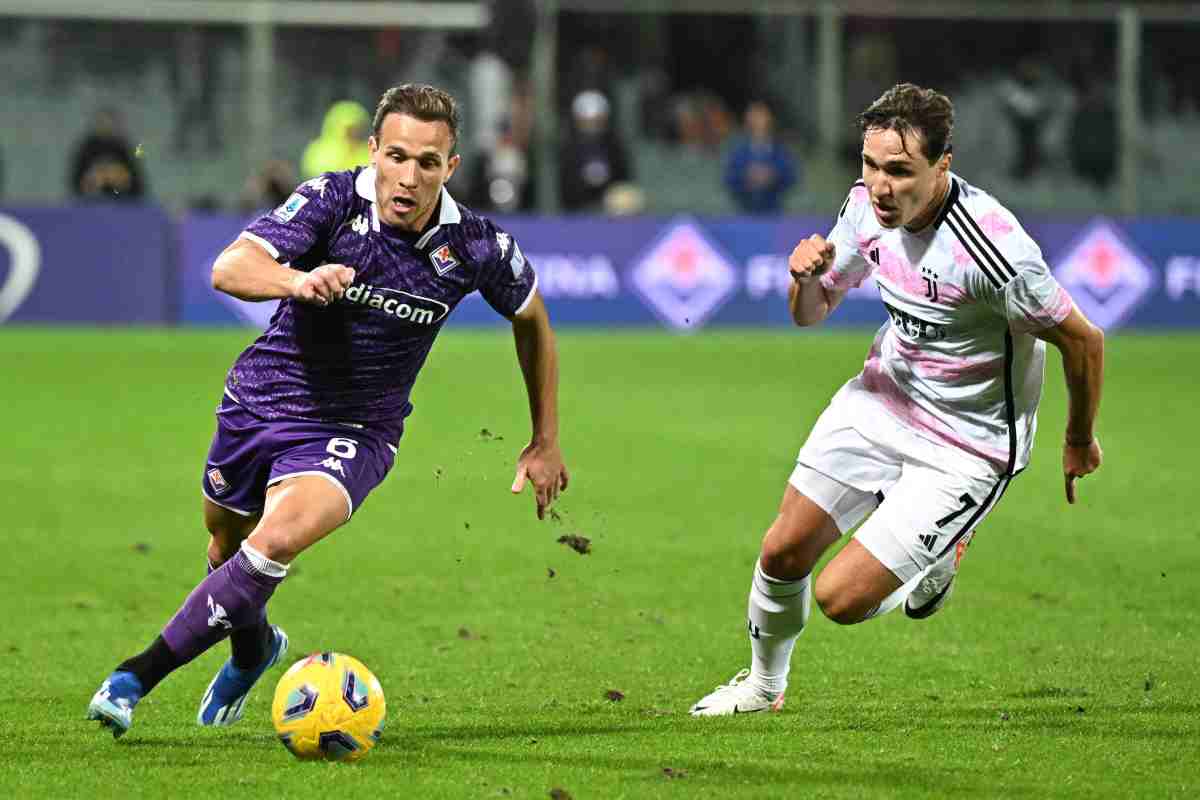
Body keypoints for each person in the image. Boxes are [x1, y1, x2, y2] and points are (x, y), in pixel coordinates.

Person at [87, 84, 569, 737]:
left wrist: (544, 439)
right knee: (227, 544)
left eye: (428, 162)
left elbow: (532, 319)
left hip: (357, 429)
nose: (408, 176)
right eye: (396, 155)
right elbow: (231, 268)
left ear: (450, 167)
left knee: (272, 542)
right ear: (374, 151)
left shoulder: (477, 245)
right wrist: (297, 280)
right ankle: (254, 648)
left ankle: (132, 678)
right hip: (260, 400)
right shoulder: (333, 201)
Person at [689, 83, 1104, 716]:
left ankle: (941, 550)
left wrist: (1077, 438)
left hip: (968, 444)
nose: (880, 186)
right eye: (870, 165)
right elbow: (814, 311)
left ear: (942, 165)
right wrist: (803, 279)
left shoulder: (993, 253)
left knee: (840, 599)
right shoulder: (864, 211)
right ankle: (763, 688)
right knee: (781, 552)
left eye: (899, 171)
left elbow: (1084, 341)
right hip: (883, 400)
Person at [559, 90, 632, 213]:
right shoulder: (568, 149)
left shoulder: (614, 147)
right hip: (575, 209)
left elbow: (624, 179)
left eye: (597, 121)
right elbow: (565, 185)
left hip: (611, 209)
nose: (592, 126)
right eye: (587, 121)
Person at [723, 101, 799, 215]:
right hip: (743, 213)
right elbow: (729, 178)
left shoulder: (782, 151)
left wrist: (773, 175)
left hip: (775, 213)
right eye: (754, 118)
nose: (758, 122)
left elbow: (792, 177)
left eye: (761, 117)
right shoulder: (737, 152)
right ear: (747, 121)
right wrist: (747, 176)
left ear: (769, 120)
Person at [70, 108, 146, 201]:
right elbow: (76, 183)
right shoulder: (86, 148)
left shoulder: (123, 147)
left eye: (109, 122)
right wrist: (94, 180)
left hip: (122, 204)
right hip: (89, 204)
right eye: (102, 122)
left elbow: (137, 184)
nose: (106, 126)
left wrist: (119, 179)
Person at [300, 100, 372, 179]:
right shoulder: (319, 151)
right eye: (349, 129)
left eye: (357, 128)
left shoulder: (369, 153)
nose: (354, 133)